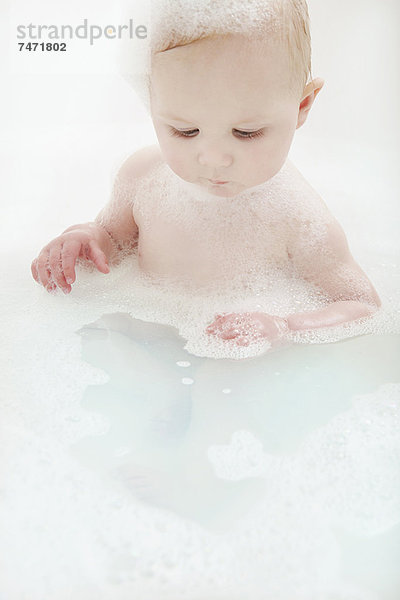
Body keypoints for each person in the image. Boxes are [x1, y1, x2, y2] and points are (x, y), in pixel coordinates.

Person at [31, 0, 381, 349]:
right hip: (143, 346)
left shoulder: (299, 217)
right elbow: (111, 237)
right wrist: (84, 239)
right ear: (151, 102)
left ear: (302, 106)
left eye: (247, 132)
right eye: (185, 131)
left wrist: (284, 325)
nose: (213, 159)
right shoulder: (142, 177)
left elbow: (361, 304)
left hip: (241, 372)